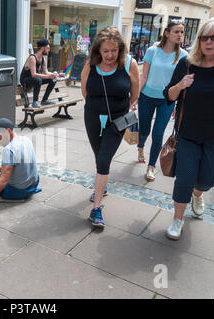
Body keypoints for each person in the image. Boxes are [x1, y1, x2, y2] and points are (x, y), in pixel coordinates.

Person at [163, 16, 214, 240]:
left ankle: (198, 193)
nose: (208, 42)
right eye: (204, 37)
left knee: (209, 178)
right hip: (188, 133)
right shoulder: (188, 63)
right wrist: (180, 85)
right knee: (184, 177)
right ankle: (177, 219)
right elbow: (168, 94)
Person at [80, 26, 140, 228]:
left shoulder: (129, 64)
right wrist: (96, 109)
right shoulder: (90, 64)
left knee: (104, 159)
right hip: (93, 116)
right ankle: (101, 186)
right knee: (99, 157)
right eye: (105, 51)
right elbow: (85, 90)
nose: (110, 55)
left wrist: (121, 107)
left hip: (118, 119)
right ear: (98, 50)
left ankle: (96, 208)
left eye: (114, 50)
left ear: (120, 49)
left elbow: (135, 93)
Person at [138, 21, 188, 182]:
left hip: (167, 101)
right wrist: (134, 96)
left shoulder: (184, 56)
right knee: (144, 130)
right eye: (176, 32)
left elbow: (182, 83)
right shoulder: (152, 51)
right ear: (167, 33)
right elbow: (143, 76)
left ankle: (151, 166)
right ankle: (140, 146)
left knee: (158, 133)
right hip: (146, 97)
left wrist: (178, 104)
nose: (180, 35)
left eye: (182, 32)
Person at [20, 39, 59, 108]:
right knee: (38, 80)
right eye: (48, 48)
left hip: (34, 79)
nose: (49, 50)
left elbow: (46, 72)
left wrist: (54, 75)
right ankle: (35, 102)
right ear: (43, 48)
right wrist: (49, 76)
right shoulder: (33, 58)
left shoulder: (42, 59)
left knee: (52, 79)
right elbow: (33, 74)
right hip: (25, 80)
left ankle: (44, 100)